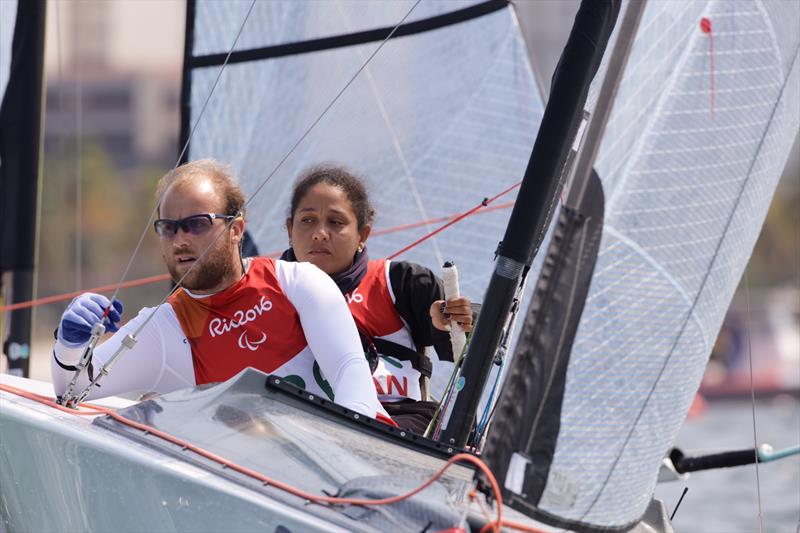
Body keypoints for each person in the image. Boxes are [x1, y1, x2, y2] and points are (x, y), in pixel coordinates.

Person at [51, 159, 388, 422]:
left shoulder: (298, 282)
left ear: (236, 230)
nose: (181, 239)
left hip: (366, 476)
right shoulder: (164, 328)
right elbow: (71, 391)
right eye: (169, 228)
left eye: (197, 224)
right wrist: (69, 344)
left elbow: (349, 373)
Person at [282, 164, 474, 433]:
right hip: (294, 420)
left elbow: (465, 353)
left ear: (363, 235)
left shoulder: (403, 282)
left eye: (336, 222)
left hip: (393, 426)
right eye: (307, 220)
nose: (319, 233)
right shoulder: (261, 290)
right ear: (290, 229)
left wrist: (448, 322)